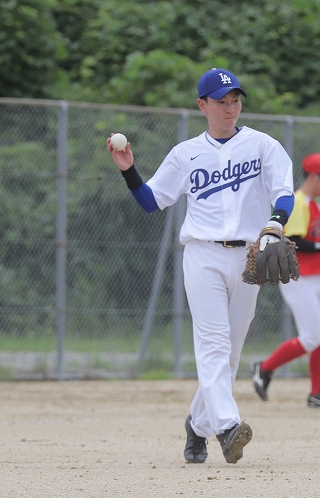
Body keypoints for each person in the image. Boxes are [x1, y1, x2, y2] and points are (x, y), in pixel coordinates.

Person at [107, 68, 295, 463]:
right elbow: (151, 201)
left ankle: (196, 425)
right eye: (221, 101)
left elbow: (283, 192)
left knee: (230, 354)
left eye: (235, 100)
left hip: (249, 256)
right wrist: (128, 170)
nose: (230, 108)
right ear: (202, 105)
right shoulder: (186, 153)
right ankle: (227, 428)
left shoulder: (263, 146)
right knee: (213, 343)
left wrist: (276, 222)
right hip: (202, 255)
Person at [250, 153, 320, 408]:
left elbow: (315, 247)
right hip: (299, 278)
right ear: (314, 176)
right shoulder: (298, 202)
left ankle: (317, 393)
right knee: (310, 337)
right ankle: (264, 367)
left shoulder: (316, 206)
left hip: (318, 277)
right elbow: (293, 241)